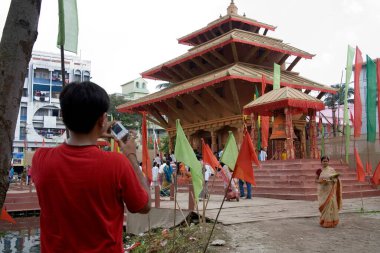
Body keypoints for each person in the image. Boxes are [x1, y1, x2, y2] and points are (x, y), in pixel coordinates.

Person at [32, 81, 151, 252]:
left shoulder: (40, 159)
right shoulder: (117, 163)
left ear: (63, 117)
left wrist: (95, 131)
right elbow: (144, 205)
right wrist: (131, 156)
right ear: (103, 119)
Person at [315, 155, 342, 228]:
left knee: (331, 206)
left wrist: (333, 180)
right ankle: (324, 221)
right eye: (324, 161)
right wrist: (321, 181)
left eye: (326, 161)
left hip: (330, 191)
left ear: (328, 162)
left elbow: (336, 179)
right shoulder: (319, 171)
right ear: (321, 162)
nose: (325, 162)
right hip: (323, 191)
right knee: (324, 207)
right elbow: (316, 180)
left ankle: (330, 222)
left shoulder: (331, 170)